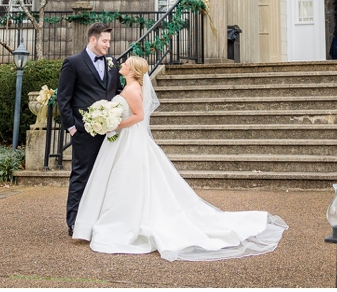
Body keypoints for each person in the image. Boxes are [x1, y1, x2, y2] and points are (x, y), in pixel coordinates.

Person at [72, 55, 287, 261]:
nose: (123, 64)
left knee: (126, 178)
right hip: (121, 140)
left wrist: (115, 124)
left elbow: (139, 116)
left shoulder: (134, 89)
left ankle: (122, 222)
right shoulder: (128, 87)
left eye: (126, 63)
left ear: (133, 70)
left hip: (129, 139)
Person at [57, 22, 121, 235]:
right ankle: (73, 221)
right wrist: (72, 128)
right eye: (105, 41)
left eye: (109, 41)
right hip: (84, 131)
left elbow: (118, 91)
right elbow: (63, 98)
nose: (108, 45)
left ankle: (100, 219)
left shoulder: (112, 62)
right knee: (81, 174)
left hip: (109, 131)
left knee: (106, 176)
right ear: (93, 39)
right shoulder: (73, 63)